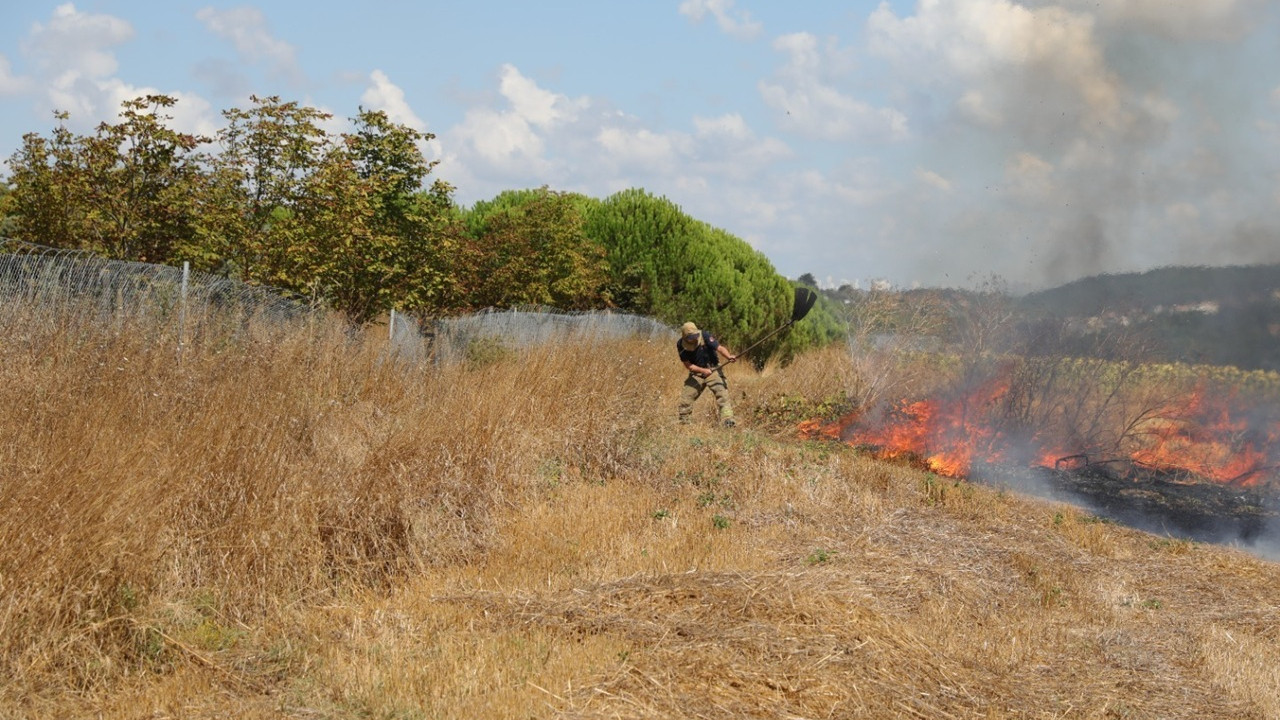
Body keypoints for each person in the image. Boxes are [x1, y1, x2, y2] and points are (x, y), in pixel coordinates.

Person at [676, 321, 738, 427]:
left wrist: (728, 356)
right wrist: (703, 371)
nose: (694, 338)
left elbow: (719, 348)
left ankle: (728, 420)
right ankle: (684, 423)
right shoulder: (680, 345)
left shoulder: (705, 336)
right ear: (685, 337)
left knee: (721, 393)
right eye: (691, 337)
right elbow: (688, 365)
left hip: (713, 369)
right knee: (686, 397)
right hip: (697, 373)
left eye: (695, 335)